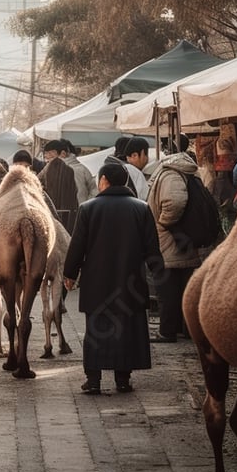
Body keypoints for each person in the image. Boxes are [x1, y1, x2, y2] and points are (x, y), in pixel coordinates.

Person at [63, 163, 163, 394]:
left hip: (97, 283)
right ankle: (123, 380)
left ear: (103, 180)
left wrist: (70, 274)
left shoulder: (88, 208)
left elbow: (77, 246)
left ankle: (93, 381)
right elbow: (152, 248)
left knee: (96, 331)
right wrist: (158, 274)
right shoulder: (141, 208)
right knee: (126, 330)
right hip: (130, 283)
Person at [146, 149, 202, 342]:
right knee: (182, 289)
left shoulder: (171, 173)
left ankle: (168, 331)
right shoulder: (185, 172)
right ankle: (184, 329)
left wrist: (165, 222)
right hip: (180, 240)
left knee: (167, 289)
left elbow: (175, 202)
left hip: (170, 241)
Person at [38, 139, 79, 233]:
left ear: (62, 153)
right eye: (46, 154)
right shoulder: (69, 170)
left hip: (54, 214)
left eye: (50, 153)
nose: (47, 156)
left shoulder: (51, 168)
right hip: (68, 215)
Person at [60, 139, 98, 203]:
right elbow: (94, 189)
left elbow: (94, 189)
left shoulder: (80, 169)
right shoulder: (82, 168)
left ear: (63, 153)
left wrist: (86, 204)